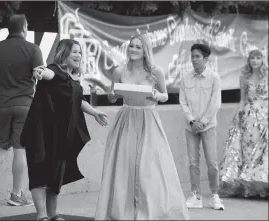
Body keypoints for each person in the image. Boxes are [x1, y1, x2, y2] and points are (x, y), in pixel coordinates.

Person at [95, 35, 189, 220]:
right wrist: (113, 96)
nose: (134, 50)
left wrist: (156, 95)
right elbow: (112, 96)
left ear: (145, 50)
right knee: (125, 165)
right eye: (131, 46)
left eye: (138, 47)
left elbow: (165, 96)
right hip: (127, 118)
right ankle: (123, 212)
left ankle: (151, 211)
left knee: (150, 167)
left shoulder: (156, 71)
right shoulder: (119, 70)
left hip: (149, 118)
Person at [20, 39, 108, 221]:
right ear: (64, 53)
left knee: (56, 172)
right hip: (41, 132)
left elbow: (79, 100)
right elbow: (47, 73)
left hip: (61, 133)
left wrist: (94, 112)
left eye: (80, 52)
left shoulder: (72, 77)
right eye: (74, 52)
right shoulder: (54, 70)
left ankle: (52, 214)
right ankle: (41, 215)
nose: (79, 55)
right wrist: (40, 72)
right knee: (39, 170)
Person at [0, 14, 44, 206]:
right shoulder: (33, 49)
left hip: (1, 106)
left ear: (9, 28)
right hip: (24, 105)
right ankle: (16, 195)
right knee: (20, 149)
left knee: (1, 146)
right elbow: (39, 74)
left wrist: (0, 76)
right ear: (24, 27)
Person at [179, 43, 225, 210]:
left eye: (197, 56)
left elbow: (216, 102)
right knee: (193, 162)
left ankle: (215, 196)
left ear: (206, 59)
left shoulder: (214, 78)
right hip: (190, 127)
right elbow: (182, 102)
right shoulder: (185, 78)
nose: (194, 59)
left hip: (208, 126)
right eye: (192, 56)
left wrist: (203, 121)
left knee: (212, 162)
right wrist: (192, 121)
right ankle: (195, 195)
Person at [219, 49, 268, 198]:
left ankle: (262, 185)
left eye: (258, 58)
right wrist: (237, 115)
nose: (255, 60)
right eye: (252, 58)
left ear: (262, 60)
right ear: (249, 61)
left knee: (263, 151)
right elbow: (242, 100)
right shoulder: (244, 77)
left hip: (265, 116)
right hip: (248, 117)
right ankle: (249, 187)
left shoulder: (267, 76)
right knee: (248, 150)